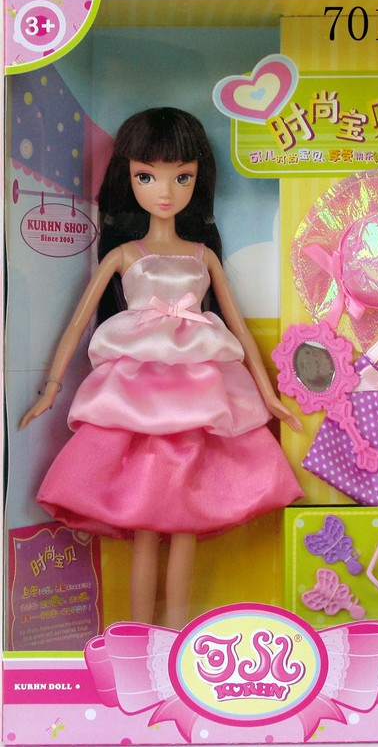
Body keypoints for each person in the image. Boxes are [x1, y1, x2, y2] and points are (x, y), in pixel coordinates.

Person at [20, 107, 303, 630]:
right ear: (128, 178)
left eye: (182, 177)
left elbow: (239, 330)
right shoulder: (125, 255)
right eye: (147, 176)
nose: (166, 191)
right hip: (136, 393)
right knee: (145, 528)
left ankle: (177, 635)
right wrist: (51, 388)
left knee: (186, 523)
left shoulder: (203, 255)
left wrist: (268, 396)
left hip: (198, 392)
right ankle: (137, 634)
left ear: (199, 178)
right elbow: (79, 321)